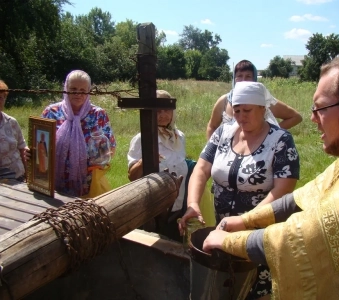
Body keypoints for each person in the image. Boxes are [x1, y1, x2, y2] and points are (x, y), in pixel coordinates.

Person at [202, 53, 339, 299]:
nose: (313, 119)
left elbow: (302, 239)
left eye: (320, 109)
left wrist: (229, 241)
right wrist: (246, 220)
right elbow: (301, 197)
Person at [179, 81, 300, 299]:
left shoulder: (280, 140)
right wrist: (193, 204)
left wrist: (246, 221)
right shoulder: (223, 133)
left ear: (263, 109)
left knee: (255, 287)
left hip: (259, 232)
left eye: (247, 111)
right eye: (236, 110)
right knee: (225, 285)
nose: (241, 116)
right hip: (223, 230)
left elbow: (283, 190)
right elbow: (201, 169)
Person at [41, 70, 116, 197]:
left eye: (83, 90)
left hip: (89, 184)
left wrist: (100, 159)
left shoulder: (98, 114)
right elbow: (40, 146)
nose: (78, 94)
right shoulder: (51, 112)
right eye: (73, 89)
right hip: (53, 185)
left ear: (89, 91)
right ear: (65, 89)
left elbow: (111, 148)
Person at [127, 90, 189, 241]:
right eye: (157, 110)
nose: (163, 115)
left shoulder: (179, 137)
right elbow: (132, 176)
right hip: (152, 212)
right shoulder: (141, 138)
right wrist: (145, 160)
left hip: (177, 208)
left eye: (166, 109)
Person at [206, 60, 302, 139]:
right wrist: (212, 153)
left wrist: (270, 133)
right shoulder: (224, 101)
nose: (243, 80)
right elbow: (212, 126)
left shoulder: (263, 101)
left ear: (254, 79)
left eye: (248, 76)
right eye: (239, 76)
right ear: (234, 79)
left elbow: (295, 117)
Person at [0, 80, 27, 181]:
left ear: (4, 99)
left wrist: (28, 176)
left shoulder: (12, 122)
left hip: (19, 176)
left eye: (0, 98)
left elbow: (22, 147)